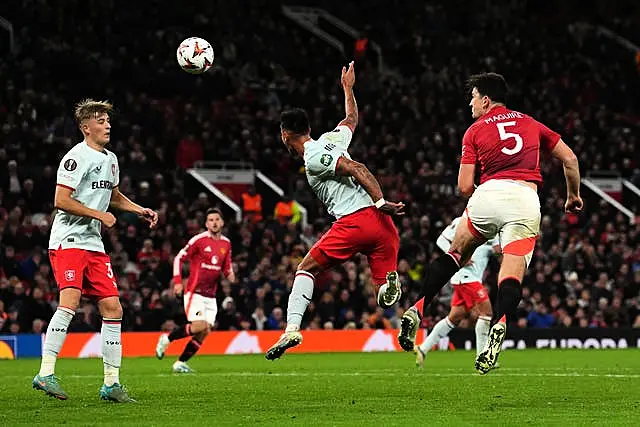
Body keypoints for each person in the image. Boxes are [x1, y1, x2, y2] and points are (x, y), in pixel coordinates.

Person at [397, 73, 583, 374]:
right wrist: (572, 196)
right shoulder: (532, 123)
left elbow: (463, 186)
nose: (470, 104)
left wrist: (483, 204)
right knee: (511, 275)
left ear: (485, 100)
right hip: (525, 199)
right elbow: (570, 159)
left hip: (489, 195)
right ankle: (500, 322)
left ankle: (419, 307)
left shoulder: (473, 131)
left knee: (455, 253)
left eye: (472, 97)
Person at [265, 61, 405, 360]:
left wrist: (381, 201)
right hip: (384, 228)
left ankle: (291, 329)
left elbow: (355, 167)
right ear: (310, 129)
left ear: (285, 135)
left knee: (305, 268)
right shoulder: (332, 138)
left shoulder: (314, 157)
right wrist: (348, 88)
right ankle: (390, 283)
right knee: (382, 296)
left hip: (357, 221)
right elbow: (351, 118)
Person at [33, 99, 158, 402]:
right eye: (101, 121)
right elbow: (61, 200)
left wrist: (138, 209)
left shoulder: (111, 159)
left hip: (93, 244)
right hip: (69, 240)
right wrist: (98, 215)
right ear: (85, 127)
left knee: (114, 309)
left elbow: (112, 195)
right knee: (70, 301)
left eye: (108, 121)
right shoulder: (75, 158)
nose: (108, 125)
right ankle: (45, 373)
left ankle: (111, 384)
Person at [155, 208, 236, 373]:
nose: (214, 222)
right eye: (211, 220)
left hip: (211, 295)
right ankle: (166, 339)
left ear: (222, 222)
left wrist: (230, 274)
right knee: (199, 325)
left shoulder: (226, 243)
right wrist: (178, 281)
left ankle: (180, 363)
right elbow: (179, 258)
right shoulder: (199, 240)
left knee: (205, 330)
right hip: (195, 292)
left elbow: (226, 266)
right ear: (206, 224)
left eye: (217, 219)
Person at [414, 217, 499, 368]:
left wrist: (500, 250)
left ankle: (423, 348)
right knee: (486, 313)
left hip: (468, 279)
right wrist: (459, 258)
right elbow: (441, 241)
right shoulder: (463, 221)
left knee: (453, 318)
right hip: (465, 277)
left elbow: (496, 250)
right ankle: (483, 357)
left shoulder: (493, 225)